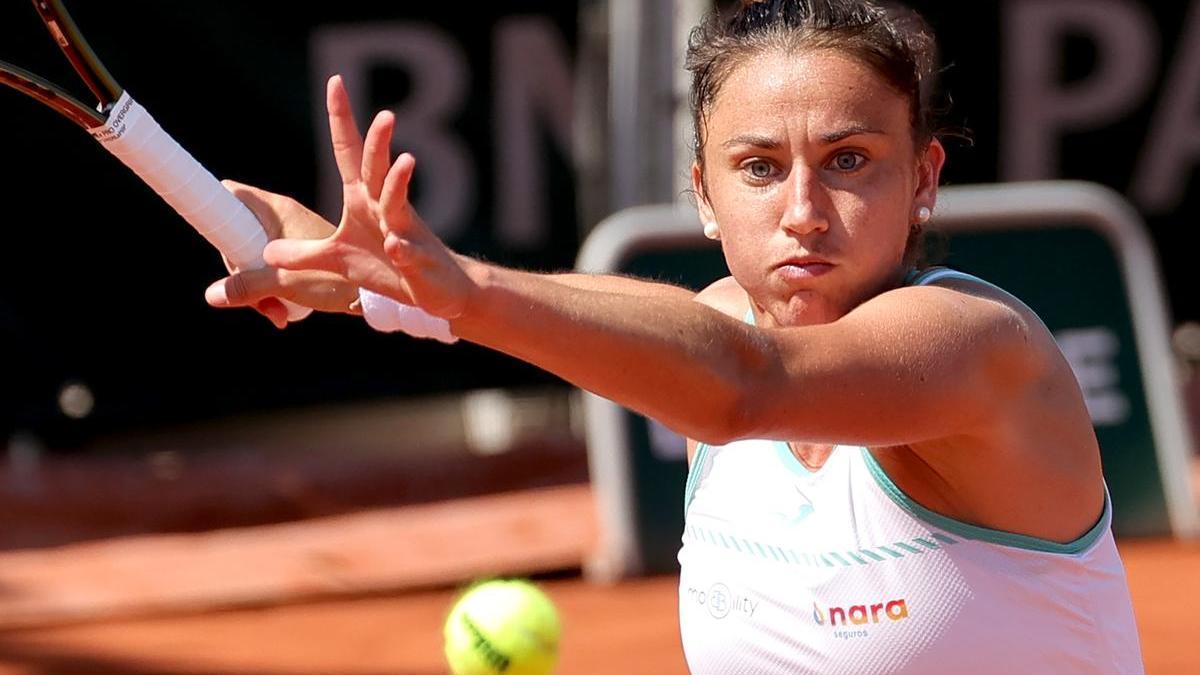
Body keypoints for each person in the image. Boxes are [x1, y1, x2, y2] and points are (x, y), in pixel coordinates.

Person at [205, 0, 1145, 671]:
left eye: (850, 160)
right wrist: (376, 290)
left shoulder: (975, 344)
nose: (804, 211)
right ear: (702, 191)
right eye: (759, 168)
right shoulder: (718, 325)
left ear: (925, 177)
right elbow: (678, 341)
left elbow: (747, 385)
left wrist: (463, 288)